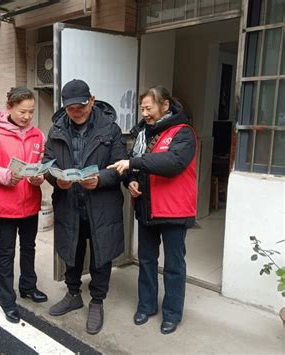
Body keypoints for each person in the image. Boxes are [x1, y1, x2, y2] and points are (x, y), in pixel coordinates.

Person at [108, 86, 197, 335]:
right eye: (142, 108)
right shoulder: (142, 134)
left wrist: (133, 163)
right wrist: (131, 181)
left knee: (174, 265)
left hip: (174, 210)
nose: (145, 113)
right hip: (147, 207)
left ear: (165, 106)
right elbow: (132, 166)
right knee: (146, 261)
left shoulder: (183, 133)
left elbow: (172, 163)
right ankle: (146, 306)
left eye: (149, 107)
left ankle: (171, 313)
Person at [43, 79, 126, 335]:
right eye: (69, 108)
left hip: (101, 205)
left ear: (91, 100)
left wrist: (100, 179)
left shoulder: (110, 129)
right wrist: (56, 180)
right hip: (70, 203)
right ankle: (73, 294)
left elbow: (119, 167)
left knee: (101, 255)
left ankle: (97, 302)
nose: (75, 112)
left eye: (79, 106)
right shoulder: (57, 129)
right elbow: (47, 162)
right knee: (72, 250)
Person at [0, 87, 48, 324]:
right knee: (6, 253)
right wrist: (7, 176)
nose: (27, 116)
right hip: (6, 206)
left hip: (30, 202)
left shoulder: (38, 135)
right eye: (22, 111)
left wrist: (39, 177)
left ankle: (28, 286)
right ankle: (7, 299)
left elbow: (40, 164)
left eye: (31, 112)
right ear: (9, 107)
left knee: (29, 248)